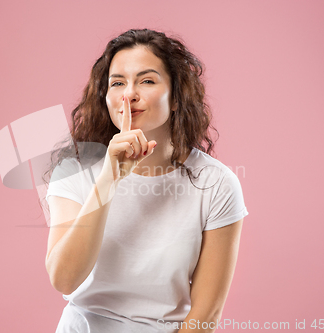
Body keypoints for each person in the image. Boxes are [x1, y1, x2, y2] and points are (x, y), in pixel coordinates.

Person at [43, 28, 248, 333]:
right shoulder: (75, 170)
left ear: (177, 97)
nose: (129, 94)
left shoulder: (217, 184)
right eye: (117, 83)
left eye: (147, 81)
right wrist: (109, 178)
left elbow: (207, 313)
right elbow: (64, 278)